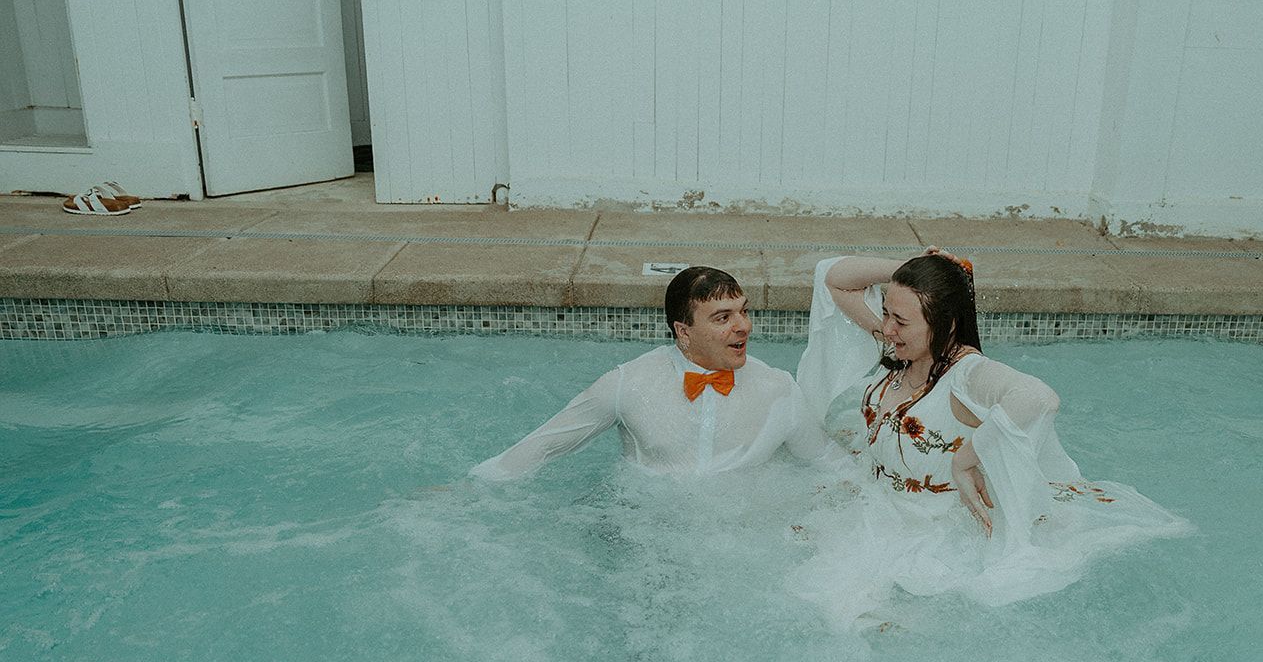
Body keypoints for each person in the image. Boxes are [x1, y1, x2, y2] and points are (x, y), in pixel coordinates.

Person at [788, 248, 1190, 625]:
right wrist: (915, 269)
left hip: (924, 525)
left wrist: (968, 457)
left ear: (946, 324)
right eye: (886, 313)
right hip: (874, 498)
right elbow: (834, 277)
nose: (887, 327)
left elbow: (1039, 398)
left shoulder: (965, 374)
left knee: (841, 606)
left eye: (901, 320)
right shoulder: (903, 349)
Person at [471, 266, 842, 481]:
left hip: (736, 540)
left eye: (743, 311)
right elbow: (544, 445)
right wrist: (470, 487)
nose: (743, 326)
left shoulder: (777, 389)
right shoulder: (629, 385)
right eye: (723, 318)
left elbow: (830, 463)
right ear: (683, 331)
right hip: (645, 530)